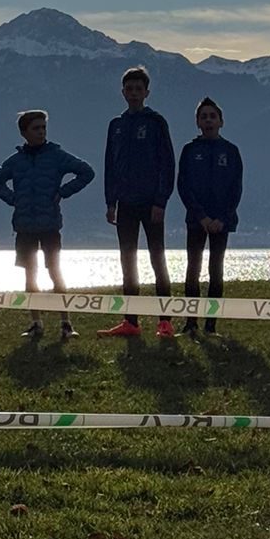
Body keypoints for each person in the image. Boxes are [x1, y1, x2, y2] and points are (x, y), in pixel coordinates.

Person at [0, 109, 94, 342]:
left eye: (43, 128)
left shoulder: (56, 155)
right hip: (24, 226)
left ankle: (66, 323)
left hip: (49, 224)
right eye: (36, 128)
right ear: (24, 132)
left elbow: (87, 172)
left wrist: (63, 192)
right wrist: (13, 199)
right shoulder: (16, 161)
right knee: (30, 274)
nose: (41, 132)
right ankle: (36, 323)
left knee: (55, 271)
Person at [99, 64, 176, 341]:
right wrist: (111, 202)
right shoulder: (116, 125)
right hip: (125, 204)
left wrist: (161, 201)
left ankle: (165, 321)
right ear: (122, 92)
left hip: (151, 202)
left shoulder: (156, 122)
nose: (133, 93)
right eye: (129, 89)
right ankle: (130, 321)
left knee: (158, 260)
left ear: (146, 92)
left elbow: (167, 163)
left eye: (138, 89)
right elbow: (110, 165)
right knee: (127, 261)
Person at [177, 97, 243, 336]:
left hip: (221, 222)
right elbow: (183, 186)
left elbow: (236, 189)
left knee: (216, 270)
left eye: (212, 116)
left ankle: (211, 325)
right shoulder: (189, 150)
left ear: (221, 121)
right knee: (192, 270)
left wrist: (222, 218)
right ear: (197, 122)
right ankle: (190, 323)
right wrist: (201, 217)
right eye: (203, 117)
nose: (208, 120)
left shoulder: (231, 151)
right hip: (197, 221)